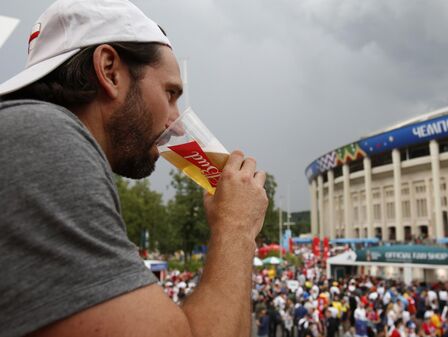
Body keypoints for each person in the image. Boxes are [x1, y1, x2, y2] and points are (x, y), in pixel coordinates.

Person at [0, 1, 268, 336]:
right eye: (170, 94)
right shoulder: (43, 136)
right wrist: (236, 227)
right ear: (109, 70)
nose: (178, 124)